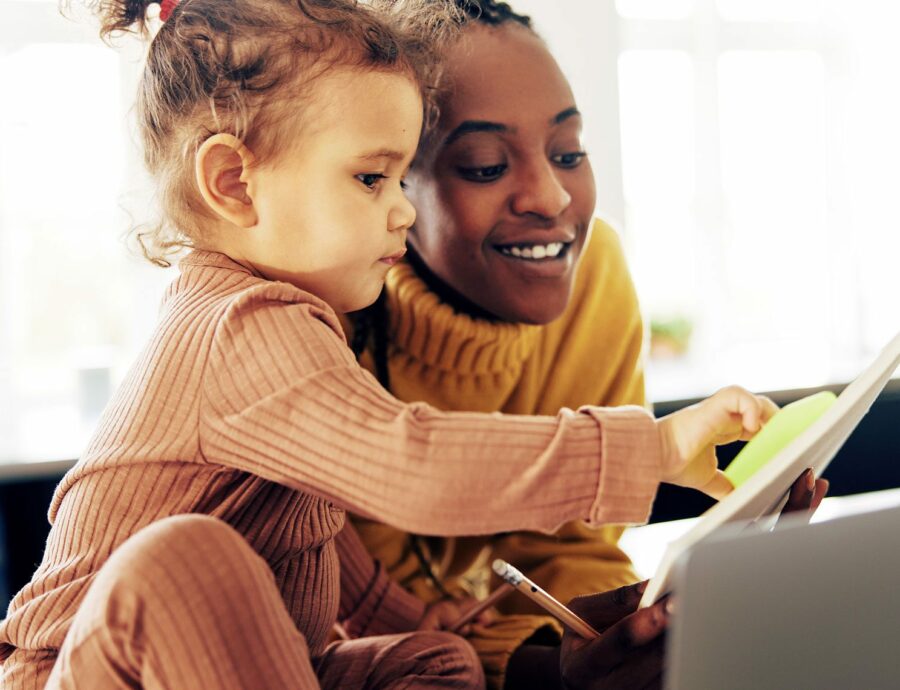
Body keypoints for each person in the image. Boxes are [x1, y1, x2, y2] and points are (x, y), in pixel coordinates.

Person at [347, 1, 828, 688]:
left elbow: (574, 545)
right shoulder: (319, 321)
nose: (549, 196)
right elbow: (350, 618)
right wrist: (540, 667)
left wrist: (614, 635)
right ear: (391, 187)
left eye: (569, 153)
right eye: (485, 165)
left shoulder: (591, 270)